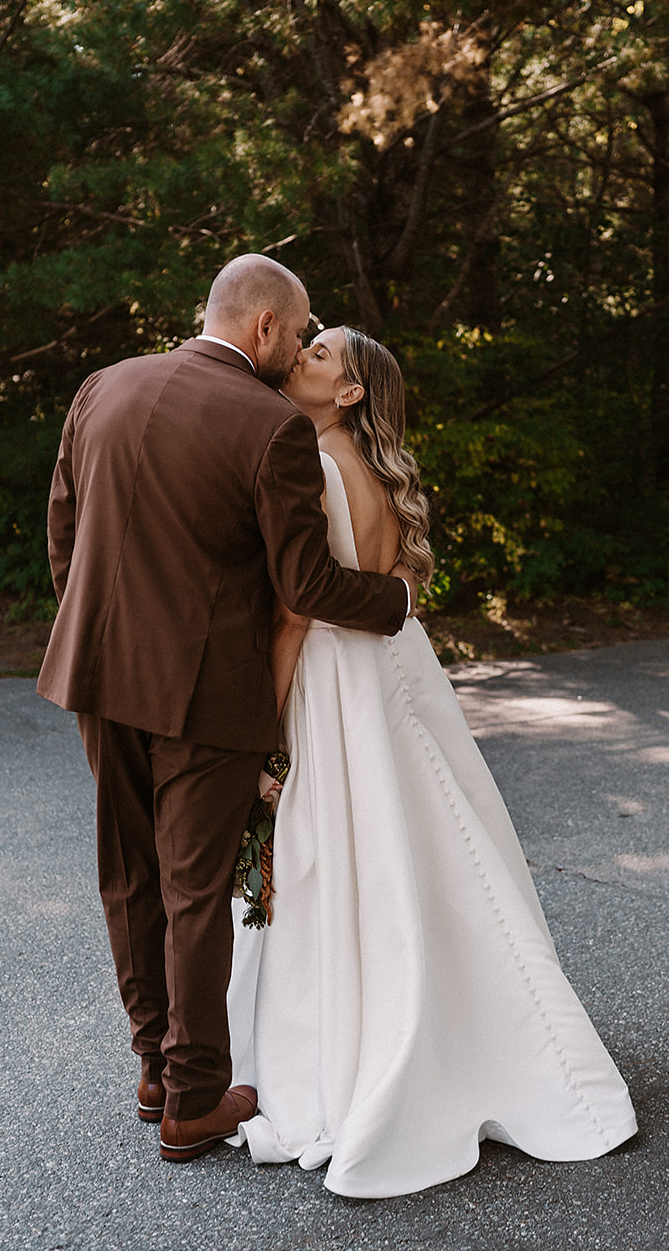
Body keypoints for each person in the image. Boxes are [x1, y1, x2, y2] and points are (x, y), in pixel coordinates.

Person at [227, 326, 637, 1197]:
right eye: (307, 342)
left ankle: (365, 1041)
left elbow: (299, 613)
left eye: (322, 354)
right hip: (392, 671)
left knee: (338, 860)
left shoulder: (313, 459)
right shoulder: (371, 469)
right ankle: (472, 1027)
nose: (302, 353)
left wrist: (264, 729)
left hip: (337, 681)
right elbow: (389, 588)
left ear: (349, 395)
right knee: (423, 849)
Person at [37, 257, 415, 1162]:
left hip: (95, 675)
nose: (298, 348)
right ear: (262, 329)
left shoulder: (103, 388)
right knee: (193, 889)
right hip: (201, 694)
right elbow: (307, 583)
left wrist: (92, 635)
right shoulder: (272, 425)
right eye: (299, 329)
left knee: (126, 875)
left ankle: (151, 1070)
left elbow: (64, 532)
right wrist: (398, 604)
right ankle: (194, 1098)